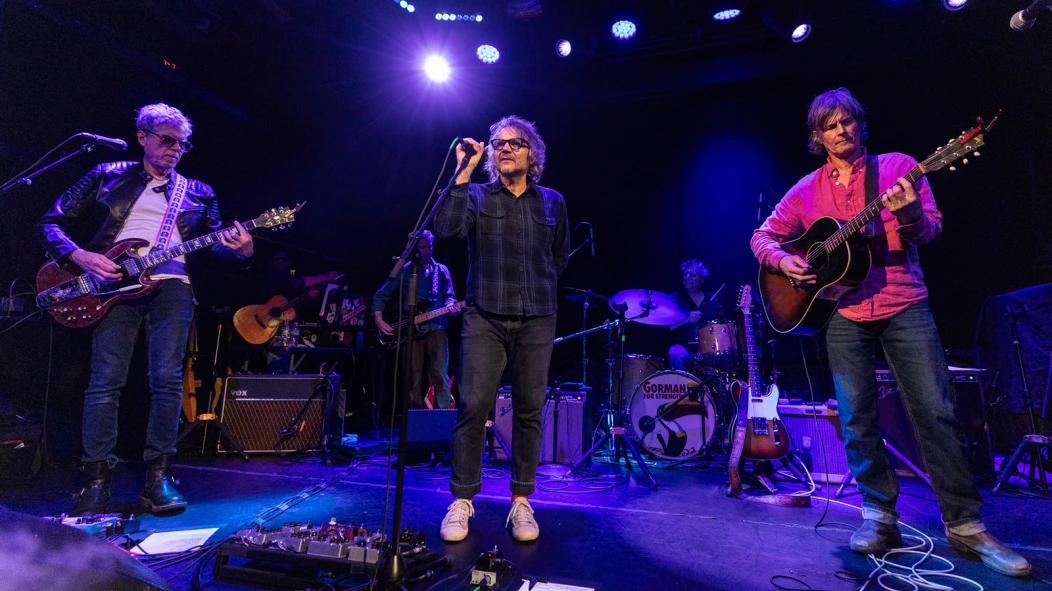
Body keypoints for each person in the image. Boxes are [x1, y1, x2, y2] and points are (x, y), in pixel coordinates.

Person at [751, 88, 1030, 577]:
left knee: (936, 413)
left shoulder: (899, 167)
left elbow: (930, 231)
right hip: (842, 313)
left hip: (905, 303)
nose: (842, 130)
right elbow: (762, 237)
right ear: (818, 136)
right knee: (856, 419)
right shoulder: (806, 189)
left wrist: (909, 214)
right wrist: (786, 260)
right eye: (831, 125)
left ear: (860, 125)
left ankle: (965, 525)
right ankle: (879, 516)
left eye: (849, 121)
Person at [36, 103, 254, 516]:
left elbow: (213, 251)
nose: (175, 149)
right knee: (106, 382)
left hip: (172, 287)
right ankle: (96, 478)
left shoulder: (199, 192)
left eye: (182, 144)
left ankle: (159, 479)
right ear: (143, 136)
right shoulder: (106, 173)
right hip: (111, 285)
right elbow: (50, 221)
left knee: (167, 382)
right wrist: (79, 256)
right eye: (168, 140)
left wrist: (243, 252)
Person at [433, 116, 569, 543]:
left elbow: (559, 257)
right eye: (498, 142)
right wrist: (463, 170)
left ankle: (521, 502)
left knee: (529, 409)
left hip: (537, 317)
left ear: (532, 154)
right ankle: (462, 500)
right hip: (485, 316)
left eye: (515, 142)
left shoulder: (552, 201)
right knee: (472, 406)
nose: (505, 148)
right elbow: (446, 229)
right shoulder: (473, 194)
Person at [372, 230, 457, 409]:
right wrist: (379, 320)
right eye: (423, 247)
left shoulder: (441, 270)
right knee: (414, 376)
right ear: (415, 250)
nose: (428, 251)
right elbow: (381, 295)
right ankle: (414, 421)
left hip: (438, 327)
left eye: (430, 247)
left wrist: (452, 306)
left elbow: (450, 296)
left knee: (440, 375)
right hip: (411, 330)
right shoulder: (406, 270)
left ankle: (440, 422)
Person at [667, 259, 721, 371]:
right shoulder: (674, 299)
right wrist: (687, 320)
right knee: (675, 352)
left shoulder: (713, 299)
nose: (687, 277)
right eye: (685, 274)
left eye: (692, 275)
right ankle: (681, 386)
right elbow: (667, 327)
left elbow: (721, 327)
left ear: (702, 279)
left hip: (709, 350)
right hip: (685, 348)